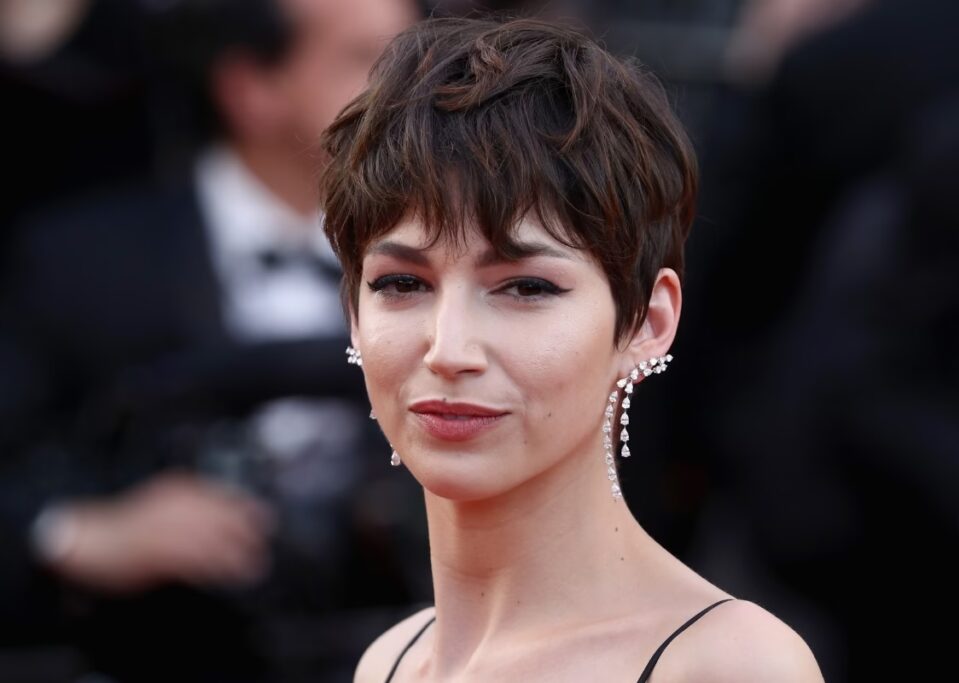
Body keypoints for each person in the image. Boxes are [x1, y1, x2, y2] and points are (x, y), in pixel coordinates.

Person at [320, 17, 823, 682]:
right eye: (402, 283)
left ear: (647, 322)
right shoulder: (388, 661)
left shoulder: (728, 665)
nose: (449, 348)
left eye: (526, 287)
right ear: (353, 314)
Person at [0, 0, 417, 680]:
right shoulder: (80, 264)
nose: (409, 90)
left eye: (413, 56)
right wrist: (78, 532)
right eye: (365, 59)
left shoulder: (463, 252)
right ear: (251, 87)